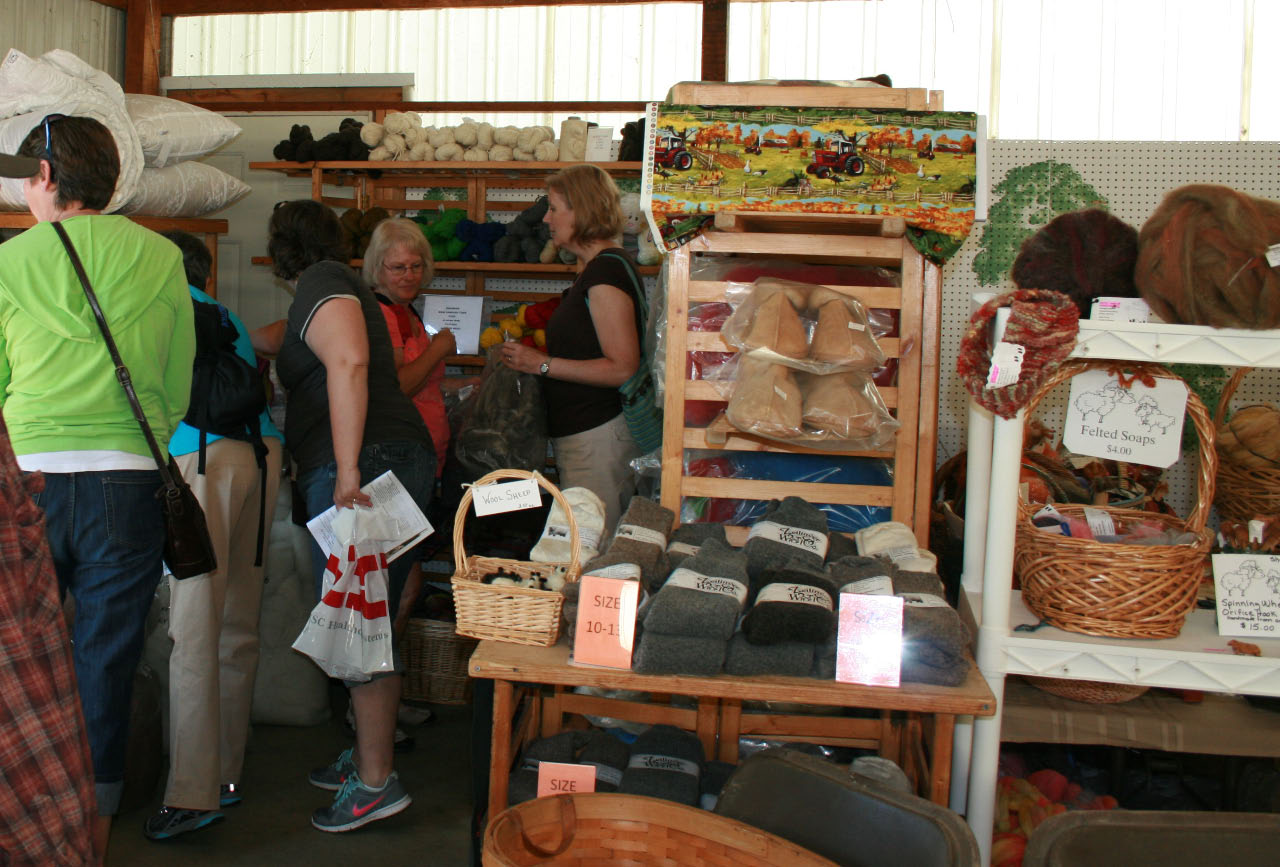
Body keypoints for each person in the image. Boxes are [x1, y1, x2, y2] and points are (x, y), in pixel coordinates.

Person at [0, 116, 194, 859]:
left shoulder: (11, 262)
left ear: (47, 178)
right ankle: (92, 838)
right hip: (128, 480)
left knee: (19, 659)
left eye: (25, 172)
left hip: (28, 477)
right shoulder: (161, 256)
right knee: (104, 658)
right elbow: (174, 384)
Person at [267, 200, 435, 833]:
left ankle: (375, 783)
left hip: (365, 467)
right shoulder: (337, 286)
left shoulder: (322, 281)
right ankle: (370, 761)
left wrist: (344, 469)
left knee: (359, 621)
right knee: (369, 618)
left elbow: (350, 364)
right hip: (387, 458)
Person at [142, 232, 285, 840]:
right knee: (236, 626)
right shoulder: (222, 312)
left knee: (192, 626)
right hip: (263, 454)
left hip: (199, 460)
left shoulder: (158, 307)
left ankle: (191, 794)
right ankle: (225, 775)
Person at [499, 164, 644, 532]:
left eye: (554, 207)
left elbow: (621, 367)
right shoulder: (596, 269)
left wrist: (542, 364)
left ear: (583, 210)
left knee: (593, 550)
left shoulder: (605, 273)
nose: (546, 218)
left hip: (597, 437)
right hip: (588, 434)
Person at [363, 217, 456, 736]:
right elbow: (399, 385)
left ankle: (383, 700)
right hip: (397, 468)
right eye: (398, 266)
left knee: (401, 586)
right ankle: (369, 707)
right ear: (377, 267)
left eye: (417, 265)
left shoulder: (407, 313)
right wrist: (443, 349)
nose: (409, 274)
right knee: (397, 589)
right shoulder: (386, 315)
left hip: (420, 465)